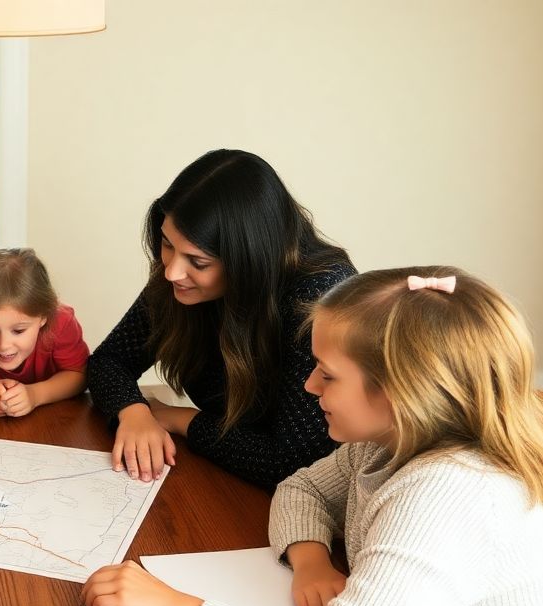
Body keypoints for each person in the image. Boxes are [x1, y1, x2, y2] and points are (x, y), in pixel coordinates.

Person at [81, 267, 543, 606]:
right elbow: (302, 487)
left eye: (329, 374)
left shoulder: (450, 493)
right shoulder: (386, 443)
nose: (310, 385)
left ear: (399, 392)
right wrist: (311, 558)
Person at [86, 149, 356, 487]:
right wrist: (133, 410)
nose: (171, 272)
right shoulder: (181, 279)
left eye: (197, 262)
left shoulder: (320, 300)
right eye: (167, 244)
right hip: (223, 475)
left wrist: (180, 419)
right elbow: (109, 361)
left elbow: (291, 463)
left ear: (249, 261)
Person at [0, 247, 89, 417]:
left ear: (43, 317)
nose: (4, 345)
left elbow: (79, 374)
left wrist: (35, 395)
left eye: (18, 331)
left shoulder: (61, 322)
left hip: (54, 419)